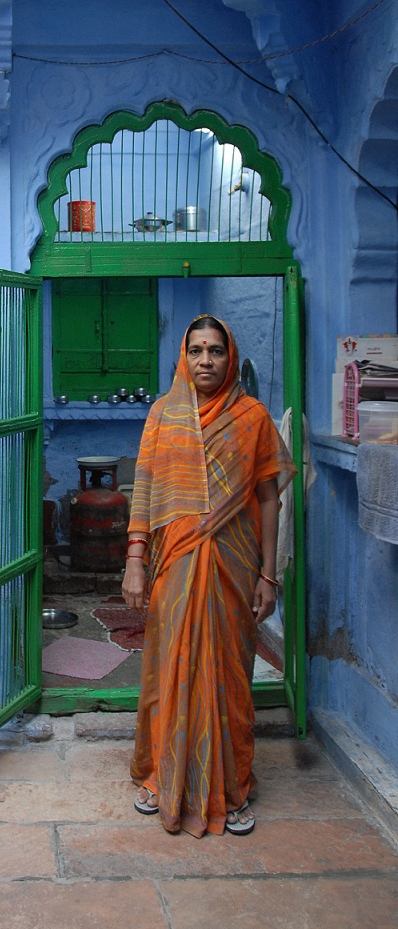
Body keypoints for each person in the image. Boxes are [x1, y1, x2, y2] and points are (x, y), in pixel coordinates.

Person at [121, 314, 297, 838]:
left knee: (229, 675)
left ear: (229, 356)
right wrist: (135, 560)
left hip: (234, 565)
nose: (205, 361)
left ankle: (232, 788)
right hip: (174, 563)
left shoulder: (253, 417)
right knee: (168, 669)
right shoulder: (163, 416)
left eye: (215, 351)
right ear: (183, 355)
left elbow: (269, 498)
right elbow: (146, 490)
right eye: (196, 350)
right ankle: (160, 776)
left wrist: (269, 575)